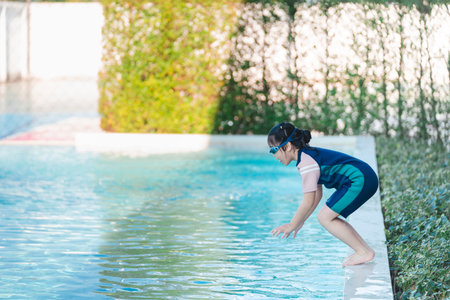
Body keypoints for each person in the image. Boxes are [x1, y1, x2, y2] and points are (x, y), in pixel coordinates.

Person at [268, 122, 379, 267]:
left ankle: (363, 252)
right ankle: (363, 250)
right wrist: (302, 221)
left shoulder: (306, 163)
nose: (274, 155)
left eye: (273, 150)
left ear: (287, 146)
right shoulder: (308, 156)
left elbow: (307, 201)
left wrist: (291, 224)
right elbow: (316, 196)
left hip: (359, 179)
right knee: (326, 216)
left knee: (325, 217)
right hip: (362, 177)